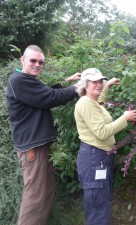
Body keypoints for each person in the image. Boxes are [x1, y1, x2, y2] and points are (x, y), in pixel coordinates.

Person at [6, 45, 81, 225]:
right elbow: (49, 98)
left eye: (41, 62)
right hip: (33, 148)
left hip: (38, 145)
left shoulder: (26, 80)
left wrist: (66, 82)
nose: (37, 64)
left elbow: (45, 93)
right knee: (34, 198)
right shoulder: (19, 80)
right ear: (22, 60)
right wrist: (77, 88)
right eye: (33, 60)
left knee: (46, 191)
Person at [74, 68, 136, 225]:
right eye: (94, 82)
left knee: (101, 198)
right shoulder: (85, 103)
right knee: (98, 204)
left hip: (100, 157)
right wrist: (125, 118)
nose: (98, 84)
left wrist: (107, 85)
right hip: (94, 158)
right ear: (85, 84)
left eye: (100, 81)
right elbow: (102, 133)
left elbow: (100, 102)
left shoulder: (93, 102)